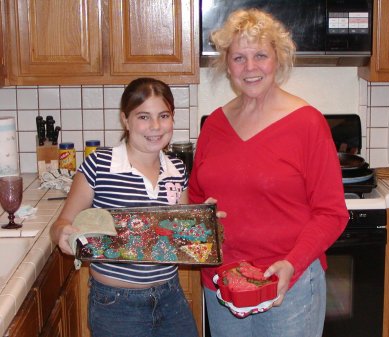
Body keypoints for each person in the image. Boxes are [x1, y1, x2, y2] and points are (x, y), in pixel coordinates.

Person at [189, 8, 349, 337]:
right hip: (223, 286)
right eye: (239, 58)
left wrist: (292, 264)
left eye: (260, 55)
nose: (250, 68)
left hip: (287, 284)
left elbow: (331, 213)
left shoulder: (307, 123)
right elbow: (195, 199)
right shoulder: (214, 125)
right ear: (226, 64)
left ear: (277, 57)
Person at [50, 77, 199, 337]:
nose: (155, 126)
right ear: (125, 120)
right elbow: (61, 224)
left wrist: (204, 224)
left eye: (163, 115)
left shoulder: (177, 170)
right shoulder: (100, 165)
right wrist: (63, 234)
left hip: (171, 298)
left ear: (172, 118)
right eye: (143, 117)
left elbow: (180, 240)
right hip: (116, 305)